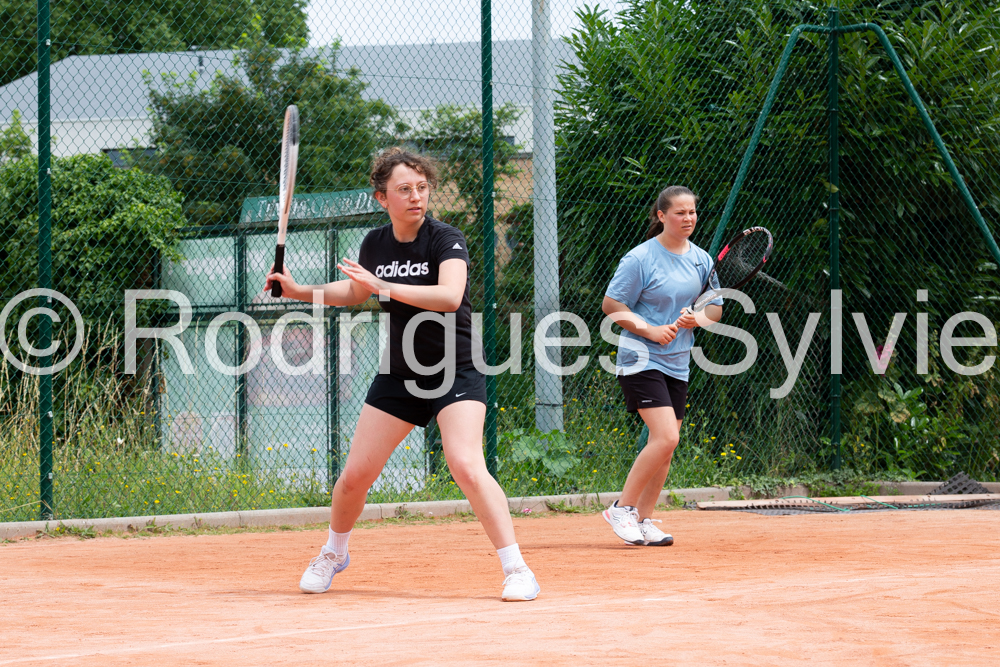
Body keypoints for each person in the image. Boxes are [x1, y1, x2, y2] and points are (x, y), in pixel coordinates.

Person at [266, 147, 540, 601]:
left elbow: (450, 296)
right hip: (399, 374)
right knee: (355, 476)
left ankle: (517, 569)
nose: (416, 196)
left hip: (455, 369)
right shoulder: (375, 243)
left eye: (422, 187)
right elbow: (356, 291)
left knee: (466, 465)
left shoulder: (445, 238)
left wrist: (385, 286)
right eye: (404, 189)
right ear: (382, 197)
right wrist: (299, 291)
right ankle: (334, 552)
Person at [600, 186, 723, 546]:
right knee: (667, 436)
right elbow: (612, 304)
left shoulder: (702, 260)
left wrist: (697, 319)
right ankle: (622, 509)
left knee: (666, 446)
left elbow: (715, 308)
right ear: (661, 216)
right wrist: (650, 330)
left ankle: (644, 518)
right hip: (640, 359)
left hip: (678, 362)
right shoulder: (640, 258)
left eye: (692, 212)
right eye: (680, 213)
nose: (688, 218)